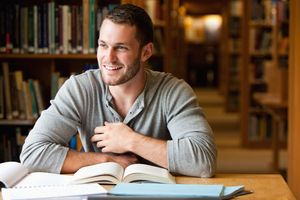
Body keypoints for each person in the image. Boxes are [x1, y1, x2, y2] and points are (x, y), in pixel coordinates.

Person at [20, 3, 217, 178]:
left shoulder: (174, 91)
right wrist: (104, 160)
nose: (109, 58)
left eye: (121, 48)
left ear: (146, 52)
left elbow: (203, 161)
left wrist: (131, 140)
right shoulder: (79, 88)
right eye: (103, 45)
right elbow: (32, 153)